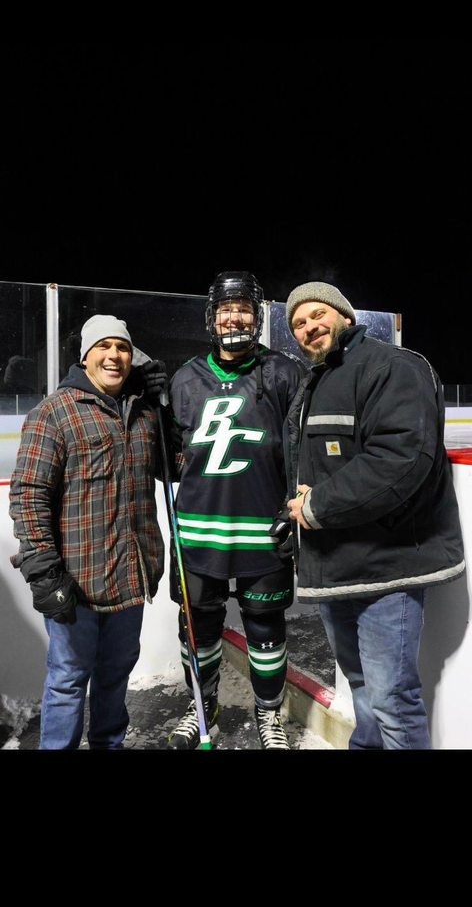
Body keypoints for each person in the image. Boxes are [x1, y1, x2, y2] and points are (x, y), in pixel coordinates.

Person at [285, 282, 465, 750]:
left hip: (388, 568)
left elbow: (399, 459)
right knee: (362, 688)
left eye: (317, 314)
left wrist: (317, 505)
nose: (308, 327)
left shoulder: (393, 366)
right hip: (336, 567)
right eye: (298, 323)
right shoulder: (316, 381)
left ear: (345, 316)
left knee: (391, 699)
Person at [9, 314, 167, 750]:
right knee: (67, 680)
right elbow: (29, 495)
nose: (114, 355)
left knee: (116, 675)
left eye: (122, 348)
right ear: (86, 355)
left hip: (130, 576)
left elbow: (173, 464)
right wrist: (42, 568)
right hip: (74, 581)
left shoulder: (144, 413)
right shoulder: (54, 412)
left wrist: (167, 406)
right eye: (104, 347)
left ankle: (108, 744)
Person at [163, 271, 304, 750]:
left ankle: (270, 715)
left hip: (263, 530)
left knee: (266, 629)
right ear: (212, 317)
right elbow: (168, 457)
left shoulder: (285, 372)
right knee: (197, 629)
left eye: (243, 308)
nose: (235, 316)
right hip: (199, 533)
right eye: (227, 309)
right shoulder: (184, 378)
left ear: (258, 316)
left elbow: (302, 451)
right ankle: (203, 708)